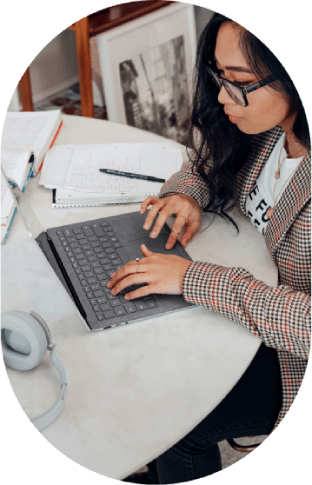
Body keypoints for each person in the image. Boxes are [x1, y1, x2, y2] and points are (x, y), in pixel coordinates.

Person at [108, 12, 311, 484]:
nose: (222, 97)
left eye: (238, 82)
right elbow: (206, 159)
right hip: (248, 302)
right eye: (219, 77)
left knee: (179, 422)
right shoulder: (268, 124)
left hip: (288, 352)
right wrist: (186, 195)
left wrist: (193, 279)